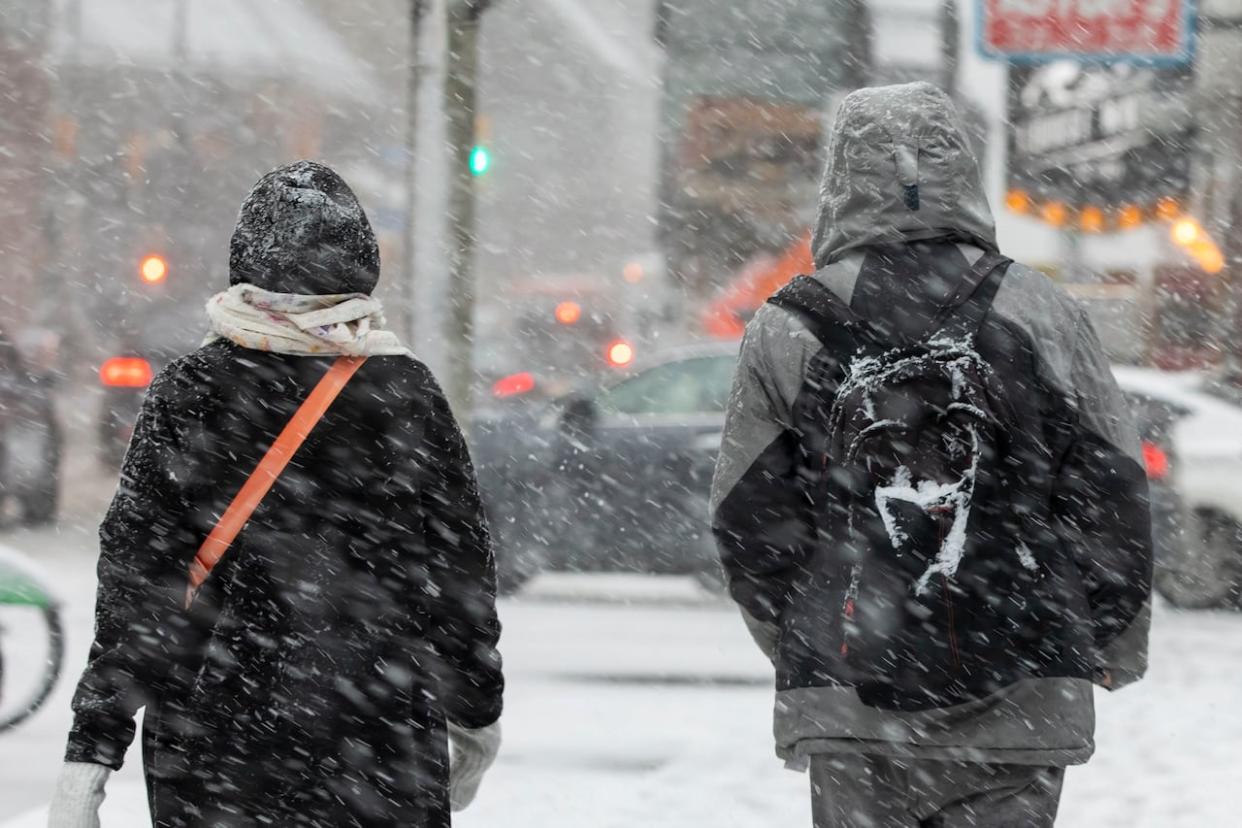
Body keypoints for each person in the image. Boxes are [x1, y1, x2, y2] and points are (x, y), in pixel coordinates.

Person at [711, 83, 1151, 827]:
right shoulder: (1041, 311)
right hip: (1025, 692)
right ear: (962, 171)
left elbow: (747, 521)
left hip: (850, 707)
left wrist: (806, 634)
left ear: (839, 179)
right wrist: (1105, 637)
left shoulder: (787, 326)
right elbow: (1110, 488)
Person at [47, 161, 503, 827]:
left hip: (213, 743)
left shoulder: (193, 389)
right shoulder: (404, 392)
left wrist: (94, 745)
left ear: (247, 262)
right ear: (361, 266)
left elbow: (140, 582)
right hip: (378, 734)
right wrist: (475, 711)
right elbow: (461, 572)